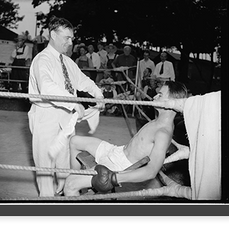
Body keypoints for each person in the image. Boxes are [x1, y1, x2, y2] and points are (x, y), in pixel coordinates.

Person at [63, 81, 188, 196]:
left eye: (160, 95)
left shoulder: (163, 133)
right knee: (74, 141)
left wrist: (115, 178)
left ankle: (74, 188)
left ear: (173, 102)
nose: (154, 97)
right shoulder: (158, 121)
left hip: (119, 165)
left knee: (69, 184)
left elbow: (151, 171)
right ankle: (78, 188)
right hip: (118, 151)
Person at [28, 16, 104, 197]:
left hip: (66, 119)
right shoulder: (42, 60)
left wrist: (98, 94)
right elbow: (47, 87)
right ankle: (46, 199)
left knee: (64, 162)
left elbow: (83, 80)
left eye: (72, 38)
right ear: (53, 35)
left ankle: (63, 195)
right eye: (66, 38)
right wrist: (73, 101)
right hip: (46, 117)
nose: (71, 42)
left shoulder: (68, 62)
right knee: (45, 165)